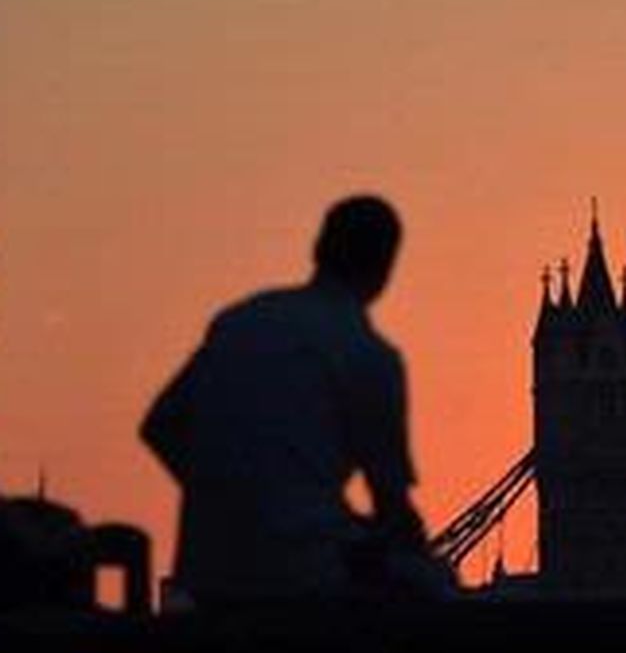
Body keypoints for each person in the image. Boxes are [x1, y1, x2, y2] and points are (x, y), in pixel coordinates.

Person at [142, 195, 443, 603]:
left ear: (317, 249)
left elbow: (159, 427)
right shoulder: (369, 355)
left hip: (209, 571)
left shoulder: (240, 321)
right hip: (306, 575)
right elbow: (393, 507)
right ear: (385, 269)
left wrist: (225, 497)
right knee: (430, 585)